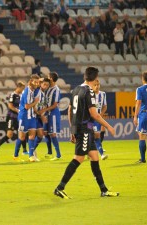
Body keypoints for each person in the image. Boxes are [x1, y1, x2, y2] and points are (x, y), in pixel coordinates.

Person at [54, 66, 119, 199]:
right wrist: (109, 127)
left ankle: (103, 190)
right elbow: (95, 115)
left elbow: (70, 110)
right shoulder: (89, 92)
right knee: (79, 158)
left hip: (82, 129)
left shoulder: (76, 89)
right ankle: (59, 188)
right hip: (84, 130)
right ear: (95, 79)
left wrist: (72, 129)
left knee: (95, 157)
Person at [0, 82, 26, 155]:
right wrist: (17, 110)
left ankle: (24, 150)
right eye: (22, 88)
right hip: (12, 117)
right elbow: (10, 106)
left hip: (19, 117)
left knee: (22, 132)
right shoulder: (13, 95)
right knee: (9, 135)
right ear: (19, 87)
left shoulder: (21, 96)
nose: (23, 90)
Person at [13, 75, 41, 162]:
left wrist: (36, 112)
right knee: (22, 137)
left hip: (31, 116)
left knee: (32, 135)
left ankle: (31, 156)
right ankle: (15, 156)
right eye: (35, 82)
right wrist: (35, 102)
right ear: (31, 81)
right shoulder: (27, 91)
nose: (36, 84)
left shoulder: (33, 90)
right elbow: (27, 106)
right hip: (24, 116)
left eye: (37, 82)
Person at [38, 72, 62, 161]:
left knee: (52, 134)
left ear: (51, 79)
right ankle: (49, 152)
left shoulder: (56, 90)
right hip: (47, 113)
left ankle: (58, 155)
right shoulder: (47, 88)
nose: (47, 78)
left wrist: (44, 110)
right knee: (45, 133)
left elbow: (55, 104)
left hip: (53, 114)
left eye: (48, 77)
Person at [33, 77, 51, 161]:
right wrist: (41, 116)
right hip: (33, 116)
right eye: (44, 84)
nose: (46, 86)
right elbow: (33, 106)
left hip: (39, 116)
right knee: (38, 135)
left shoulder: (43, 94)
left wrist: (44, 115)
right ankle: (31, 153)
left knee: (40, 136)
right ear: (41, 84)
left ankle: (32, 151)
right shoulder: (37, 92)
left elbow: (42, 106)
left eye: (47, 85)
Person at [92, 79, 108, 160]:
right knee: (90, 137)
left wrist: (100, 115)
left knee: (97, 135)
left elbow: (105, 106)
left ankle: (101, 154)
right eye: (95, 85)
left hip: (97, 119)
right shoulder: (88, 94)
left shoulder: (103, 94)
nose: (97, 86)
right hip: (89, 120)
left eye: (98, 85)